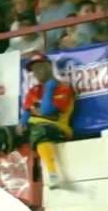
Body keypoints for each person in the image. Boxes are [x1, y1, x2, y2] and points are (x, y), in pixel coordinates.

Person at [21, 53, 75, 189]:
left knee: (40, 131)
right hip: (34, 126)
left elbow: (46, 111)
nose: (36, 72)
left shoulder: (64, 87)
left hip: (58, 127)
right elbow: (26, 113)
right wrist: (21, 125)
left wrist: (49, 88)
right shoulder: (33, 90)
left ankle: (52, 174)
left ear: (49, 66)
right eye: (34, 70)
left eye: (40, 67)